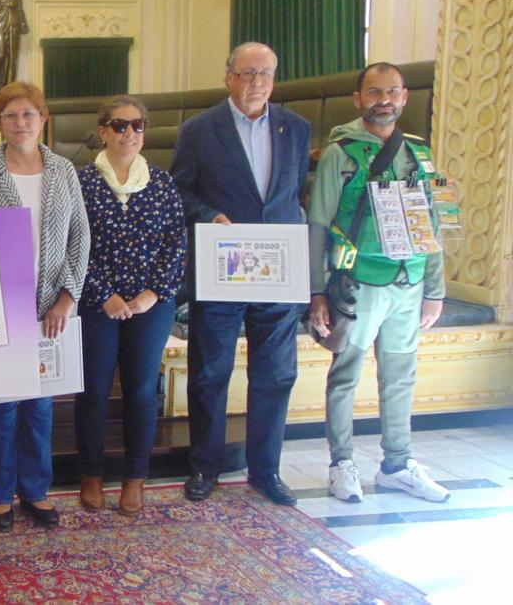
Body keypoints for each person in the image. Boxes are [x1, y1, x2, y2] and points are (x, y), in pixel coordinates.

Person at [169, 41, 311, 506]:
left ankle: (265, 470)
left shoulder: (298, 128)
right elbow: (180, 193)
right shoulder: (199, 130)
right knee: (210, 372)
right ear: (229, 76)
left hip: (278, 273)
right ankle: (205, 467)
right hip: (222, 269)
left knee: (275, 374)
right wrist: (209, 216)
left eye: (266, 74)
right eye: (248, 73)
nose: (257, 83)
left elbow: (293, 198)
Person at [307, 62, 449, 503]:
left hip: (409, 282)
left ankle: (397, 463)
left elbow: (434, 224)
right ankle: (342, 463)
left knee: (400, 375)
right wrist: (316, 291)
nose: (383, 100)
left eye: (392, 92)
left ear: (405, 97)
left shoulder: (419, 154)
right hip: (359, 281)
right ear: (358, 98)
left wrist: (435, 289)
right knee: (346, 374)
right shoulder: (341, 152)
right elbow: (318, 224)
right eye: (374, 92)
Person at [0, 81, 90, 531]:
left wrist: (67, 297)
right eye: (11, 115)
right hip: (1, 310)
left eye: (29, 114)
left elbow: (80, 237)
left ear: (43, 119)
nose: (20, 123)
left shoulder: (63, 172)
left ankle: (35, 491)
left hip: (50, 309)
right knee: (2, 409)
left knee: (39, 408)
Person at [75, 96, 186, 515]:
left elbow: (176, 244)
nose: (129, 134)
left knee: (141, 392)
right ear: (102, 131)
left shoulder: (161, 182)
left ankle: (135, 478)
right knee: (94, 394)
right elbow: (73, 246)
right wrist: (105, 295)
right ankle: (91, 475)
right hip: (96, 302)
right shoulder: (81, 182)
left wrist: (151, 294)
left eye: (137, 126)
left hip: (150, 305)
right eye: (119, 126)